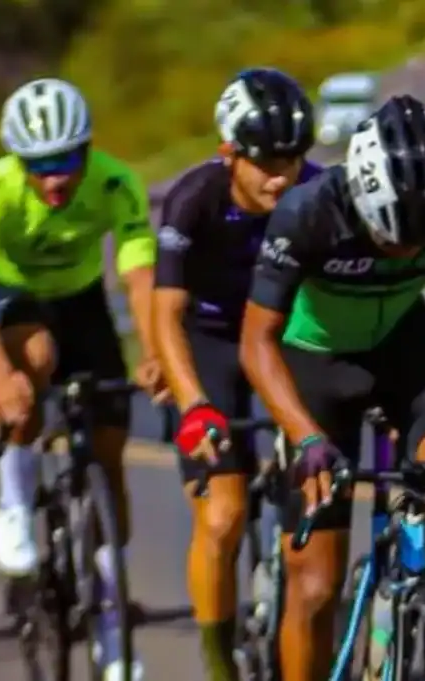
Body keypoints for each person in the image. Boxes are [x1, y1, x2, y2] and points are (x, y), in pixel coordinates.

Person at [240, 94, 425, 681]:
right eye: (391, 236)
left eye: (420, 239)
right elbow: (257, 342)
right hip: (314, 364)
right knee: (316, 585)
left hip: (405, 349)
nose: (406, 251)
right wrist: (305, 438)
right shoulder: (307, 212)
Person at [0, 77, 163, 681]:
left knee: (110, 452)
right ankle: (13, 497)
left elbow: (139, 281)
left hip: (83, 300)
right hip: (12, 299)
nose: (56, 178)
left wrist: (156, 351)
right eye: (40, 165)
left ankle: (112, 615)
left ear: (88, 151)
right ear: (18, 161)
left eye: (68, 160)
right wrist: (1, 378)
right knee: (34, 354)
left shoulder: (115, 181)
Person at [152, 67, 323, 681]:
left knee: (310, 498)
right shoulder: (192, 199)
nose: (283, 174)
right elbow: (164, 314)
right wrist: (195, 404)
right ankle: (218, 658)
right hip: (212, 341)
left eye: (294, 158)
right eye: (266, 162)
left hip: (283, 339)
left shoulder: (318, 191)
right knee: (222, 514)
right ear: (230, 154)